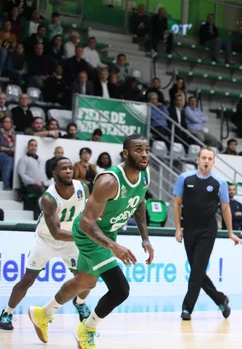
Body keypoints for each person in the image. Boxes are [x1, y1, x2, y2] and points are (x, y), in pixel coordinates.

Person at [27, 134, 155, 349]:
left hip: (108, 232)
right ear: (125, 153)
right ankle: (87, 329)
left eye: (146, 149)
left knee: (85, 282)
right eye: (138, 150)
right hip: (89, 233)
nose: (144, 154)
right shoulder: (108, 181)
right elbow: (86, 223)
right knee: (120, 289)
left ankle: (43, 313)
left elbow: (139, 201)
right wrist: (112, 246)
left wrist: (145, 238)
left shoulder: (144, 175)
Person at [1, 158, 92, 331]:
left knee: (87, 278)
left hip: (72, 241)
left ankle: (80, 303)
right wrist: (85, 236)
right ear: (54, 173)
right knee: (28, 279)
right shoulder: (48, 198)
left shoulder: (83, 188)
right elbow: (56, 232)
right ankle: (7, 312)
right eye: (63, 168)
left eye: (70, 168)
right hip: (46, 240)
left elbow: (88, 213)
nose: (68, 171)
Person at [173, 147, 241, 321]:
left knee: (197, 270)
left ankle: (187, 309)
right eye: (203, 157)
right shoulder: (184, 178)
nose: (206, 161)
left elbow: (225, 208)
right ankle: (220, 299)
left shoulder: (220, 183)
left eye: (209, 158)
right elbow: (177, 203)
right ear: (197, 159)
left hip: (208, 230)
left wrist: (230, 233)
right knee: (198, 271)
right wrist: (178, 228)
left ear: (213, 161)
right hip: (189, 228)